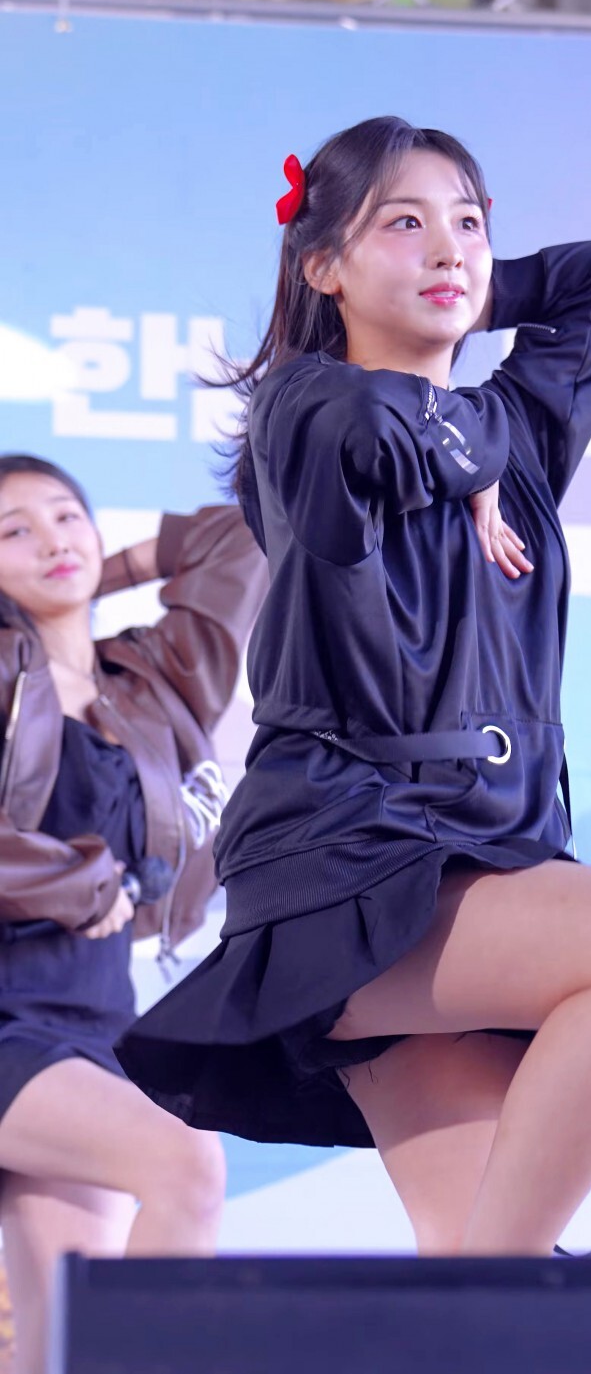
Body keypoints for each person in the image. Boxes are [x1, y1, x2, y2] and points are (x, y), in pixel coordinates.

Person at [117, 116, 591, 1256]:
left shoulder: (513, 431)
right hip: (349, 859)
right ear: (323, 267)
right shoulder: (302, 410)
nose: (449, 247)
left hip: (485, 857)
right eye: (403, 223)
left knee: (479, 1263)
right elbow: (375, 425)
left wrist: (478, 302)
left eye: (469, 223)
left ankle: (477, 1318)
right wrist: (476, 442)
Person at [0, 454, 267, 1374]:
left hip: (92, 1023)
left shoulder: (152, 680)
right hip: (7, 1019)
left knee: (60, 1340)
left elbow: (239, 538)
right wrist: (84, 883)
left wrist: (93, 576)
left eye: (66, 516)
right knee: (186, 1164)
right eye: (14, 531)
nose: (51, 539)